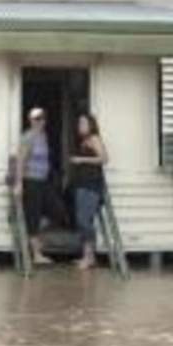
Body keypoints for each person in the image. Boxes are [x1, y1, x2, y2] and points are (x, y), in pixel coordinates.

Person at [13, 107, 54, 265]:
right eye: (36, 119)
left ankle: (37, 243)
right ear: (30, 121)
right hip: (30, 181)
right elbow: (20, 161)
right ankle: (36, 254)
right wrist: (19, 183)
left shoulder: (43, 136)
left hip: (43, 181)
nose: (40, 122)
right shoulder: (28, 137)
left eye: (42, 119)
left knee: (57, 210)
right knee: (33, 217)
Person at [69, 113, 108, 270]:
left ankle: (90, 256)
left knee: (84, 220)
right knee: (82, 220)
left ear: (91, 124)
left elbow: (104, 158)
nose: (81, 125)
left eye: (83, 122)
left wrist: (81, 160)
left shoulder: (94, 139)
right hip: (82, 185)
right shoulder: (84, 140)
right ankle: (86, 256)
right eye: (79, 122)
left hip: (92, 185)